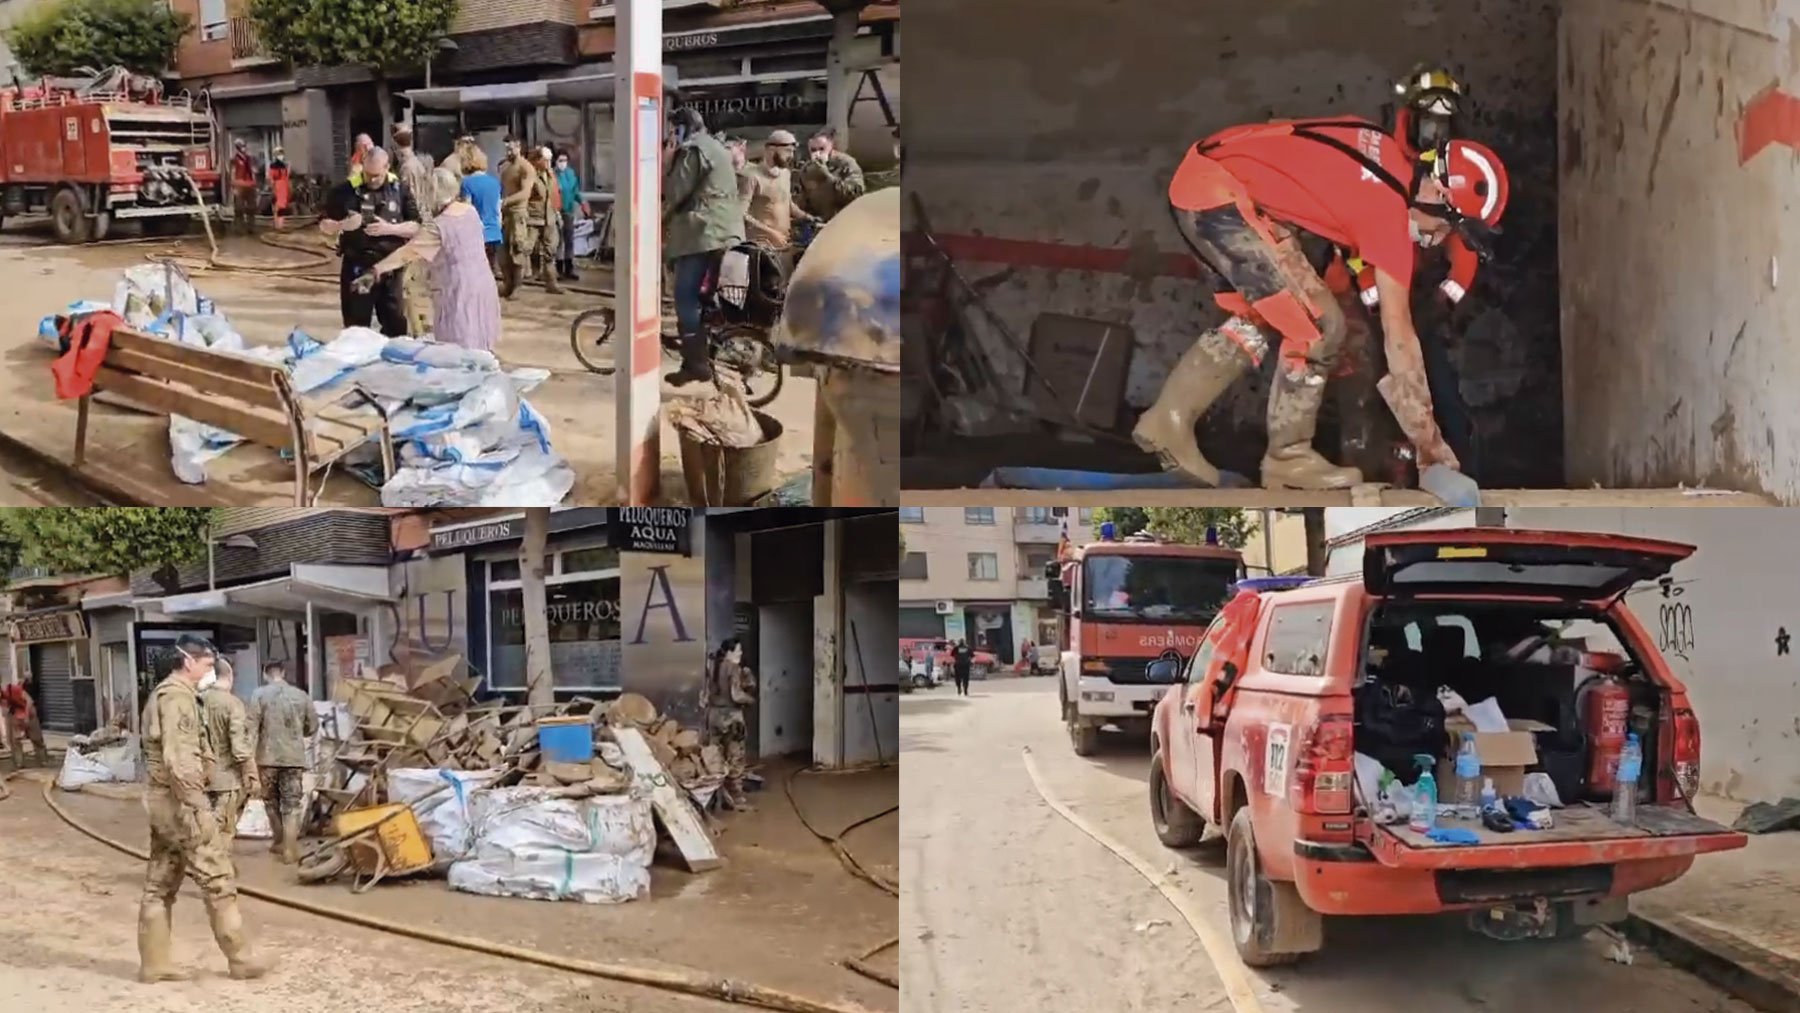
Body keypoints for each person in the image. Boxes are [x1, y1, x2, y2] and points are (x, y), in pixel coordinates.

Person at [1135, 118, 1510, 490]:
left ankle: (1168, 419)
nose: (1437, 239)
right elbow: (1399, 337)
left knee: (1258, 316)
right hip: (1222, 197)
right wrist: (1431, 450)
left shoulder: (1380, 148)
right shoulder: (1388, 213)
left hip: (1206, 182)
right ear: (1440, 195)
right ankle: (1288, 458)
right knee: (1319, 327)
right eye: (1448, 228)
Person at [137, 636, 271, 983]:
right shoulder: (178, 698)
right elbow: (179, 758)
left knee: (160, 883)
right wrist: (197, 807)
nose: (209, 671)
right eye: (207, 664)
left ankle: (155, 963)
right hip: (181, 802)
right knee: (217, 877)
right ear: (187, 661)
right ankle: (240, 958)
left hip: (162, 800)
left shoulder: (163, 695)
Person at [361, 167, 503, 353]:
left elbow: (408, 252)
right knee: (481, 340)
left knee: (460, 347)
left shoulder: (439, 226)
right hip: (483, 283)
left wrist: (376, 270)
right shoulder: (470, 212)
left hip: (458, 289)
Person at [662, 107, 744, 387]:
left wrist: (667, 162)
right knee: (705, 297)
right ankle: (697, 356)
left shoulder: (692, 150)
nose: (671, 135)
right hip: (726, 230)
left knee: (685, 296)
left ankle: (697, 364)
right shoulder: (715, 147)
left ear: (682, 128)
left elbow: (675, 192)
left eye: (673, 129)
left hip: (703, 232)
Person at [320, 146, 422, 335]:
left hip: (391, 267)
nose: (372, 179)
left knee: (395, 324)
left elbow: (416, 227)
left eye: (376, 175)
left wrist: (390, 229)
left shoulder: (400, 190)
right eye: (368, 174)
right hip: (358, 265)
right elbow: (323, 225)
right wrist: (341, 225)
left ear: (387, 167)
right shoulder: (346, 191)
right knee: (356, 327)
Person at [248, 660, 317, 865]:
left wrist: (247, 757)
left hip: (267, 758)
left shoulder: (259, 695)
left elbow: (251, 726)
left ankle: (279, 841)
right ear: (284, 673)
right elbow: (312, 726)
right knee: (292, 803)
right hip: (293, 758)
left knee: (270, 801)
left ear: (265, 674)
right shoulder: (301, 695)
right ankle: (290, 848)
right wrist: (296, 733)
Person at [200, 659, 258, 841]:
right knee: (222, 830)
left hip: (198, 777)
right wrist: (251, 773)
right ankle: (214, 867)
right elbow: (239, 747)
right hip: (226, 778)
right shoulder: (233, 704)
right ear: (230, 676)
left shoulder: (196, 701)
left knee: (200, 824)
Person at [391, 126, 436, 336]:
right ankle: (425, 321)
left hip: (414, 226)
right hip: (426, 222)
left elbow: (407, 200)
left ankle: (418, 330)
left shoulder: (406, 168)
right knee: (420, 278)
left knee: (408, 284)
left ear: (395, 144)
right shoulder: (420, 164)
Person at [707, 638, 758, 810]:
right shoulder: (733, 668)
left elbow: (704, 695)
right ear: (729, 652)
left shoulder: (712, 666)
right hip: (731, 717)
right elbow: (736, 695)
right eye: (738, 650)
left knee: (716, 757)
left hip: (713, 715)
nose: (741, 653)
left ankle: (714, 797)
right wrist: (750, 700)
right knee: (736, 756)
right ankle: (735, 797)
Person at [741, 129, 801, 254]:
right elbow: (742, 214)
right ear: (772, 149)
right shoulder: (752, 176)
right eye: (788, 151)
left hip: (784, 243)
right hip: (761, 246)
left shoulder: (786, 174)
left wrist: (807, 217)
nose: (791, 156)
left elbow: (787, 204)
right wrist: (772, 233)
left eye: (792, 152)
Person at [795, 127, 865, 224]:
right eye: (813, 150)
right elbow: (802, 199)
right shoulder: (807, 169)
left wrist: (828, 177)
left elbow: (856, 194)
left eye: (822, 149)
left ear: (831, 146)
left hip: (845, 221)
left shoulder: (847, 164)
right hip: (821, 222)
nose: (817, 153)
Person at [497, 135, 537, 296]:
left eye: (511, 148)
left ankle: (518, 287)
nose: (508, 151)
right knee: (503, 252)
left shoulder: (526, 168)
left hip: (518, 213)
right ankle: (508, 284)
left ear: (519, 147)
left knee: (517, 250)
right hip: (505, 214)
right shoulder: (506, 167)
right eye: (506, 148)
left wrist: (505, 201)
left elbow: (525, 193)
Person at [524, 146, 563, 294]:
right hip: (533, 219)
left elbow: (554, 195)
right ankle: (514, 283)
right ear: (537, 160)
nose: (548, 163)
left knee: (550, 252)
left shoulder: (551, 175)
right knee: (524, 249)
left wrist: (557, 214)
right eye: (545, 160)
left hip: (549, 218)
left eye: (549, 160)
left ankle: (552, 284)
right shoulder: (529, 176)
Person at [458, 146, 504, 272]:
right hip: (495, 231)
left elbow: (467, 209)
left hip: (477, 232)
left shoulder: (467, 183)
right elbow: (498, 208)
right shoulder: (495, 182)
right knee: (491, 269)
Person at [2, 672, 46, 770]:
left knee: (36, 738)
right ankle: (19, 763)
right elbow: (5, 710)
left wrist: (26, 716)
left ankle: (43, 760)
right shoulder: (3, 696)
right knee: (14, 740)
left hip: (29, 714)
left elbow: (29, 701)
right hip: (16, 716)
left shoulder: (14, 689)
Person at [553, 149, 584, 280]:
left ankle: (569, 268)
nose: (563, 163)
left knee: (569, 240)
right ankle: (558, 269)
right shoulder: (552, 175)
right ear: (555, 161)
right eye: (560, 160)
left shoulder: (570, 174)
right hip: (557, 211)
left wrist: (582, 202)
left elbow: (575, 191)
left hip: (569, 210)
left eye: (565, 160)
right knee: (559, 240)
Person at [228, 139, 258, 235]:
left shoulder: (250, 159)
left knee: (251, 208)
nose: (244, 148)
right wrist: (233, 187)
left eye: (244, 146)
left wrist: (255, 184)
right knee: (239, 209)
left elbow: (254, 172)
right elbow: (232, 173)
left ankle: (251, 228)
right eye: (242, 146)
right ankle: (239, 229)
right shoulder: (234, 160)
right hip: (239, 186)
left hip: (250, 185)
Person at [268, 147, 291, 230]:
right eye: (279, 154)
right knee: (278, 206)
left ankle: (280, 225)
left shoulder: (284, 166)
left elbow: (287, 177)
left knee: (282, 206)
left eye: (282, 154)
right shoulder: (273, 166)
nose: (281, 156)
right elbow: (271, 178)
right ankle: (277, 224)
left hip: (284, 186)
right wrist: (273, 187)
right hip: (278, 186)